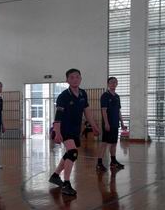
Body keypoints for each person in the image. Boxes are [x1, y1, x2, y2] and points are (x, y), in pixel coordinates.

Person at [49, 68, 100, 196]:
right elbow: (58, 116)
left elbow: (87, 112)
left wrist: (94, 126)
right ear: (67, 80)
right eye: (71, 77)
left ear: (80, 79)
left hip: (76, 129)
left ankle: (55, 176)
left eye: (77, 77)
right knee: (72, 153)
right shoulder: (63, 96)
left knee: (70, 153)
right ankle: (66, 184)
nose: (75, 79)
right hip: (64, 128)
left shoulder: (83, 94)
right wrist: (57, 132)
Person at [96, 77, 126, 172]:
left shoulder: (117, 97)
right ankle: (99, 163)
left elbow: (118, 111)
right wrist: (106, 123)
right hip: (108, 124)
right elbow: (104, 110)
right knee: (104, 143)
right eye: (111, 82)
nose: (113, 84)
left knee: (114, 143)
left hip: (115, 124)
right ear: (108, 84)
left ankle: (113, 162)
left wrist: (122, 123)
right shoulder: (105, 96)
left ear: (117, 84)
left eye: (115, 82)